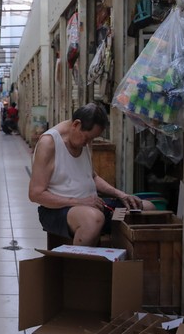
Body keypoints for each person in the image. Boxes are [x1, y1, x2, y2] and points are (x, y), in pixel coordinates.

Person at [28, 103, 155, 246]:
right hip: (57, 211)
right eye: (87, 138)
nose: (88, 143)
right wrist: (80, 202)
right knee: (93, 220)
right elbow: (35, 194)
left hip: (92, 206)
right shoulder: (49, 143)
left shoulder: (81, 141)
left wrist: (120, 194)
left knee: (147, 208)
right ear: (76, 124)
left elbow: (92, 177)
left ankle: (124, 263)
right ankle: (82, 267)